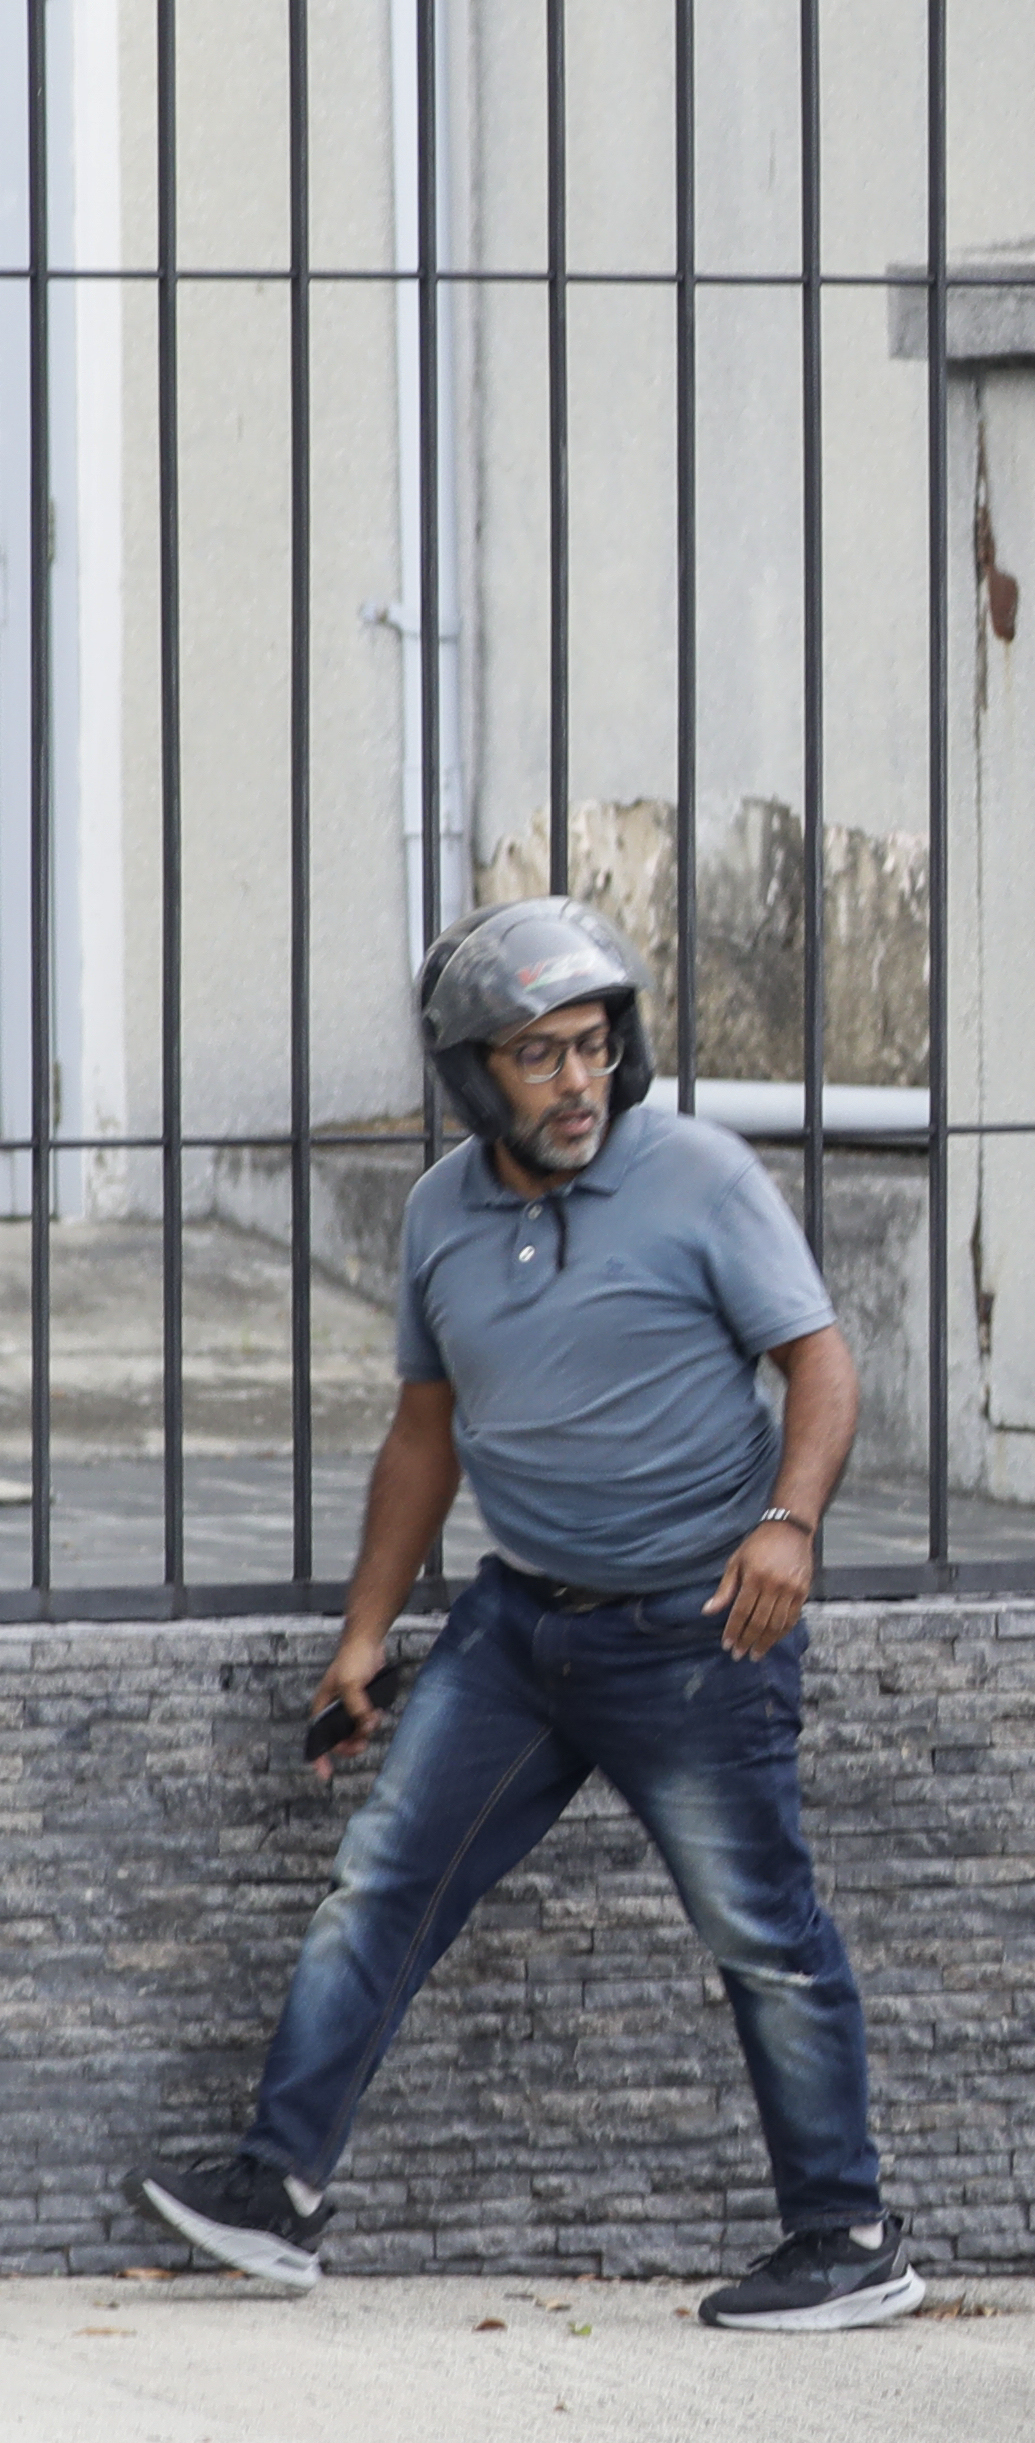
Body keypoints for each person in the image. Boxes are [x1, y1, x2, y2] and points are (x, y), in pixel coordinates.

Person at [130, 900, 919, 2332]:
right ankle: (278, 2192)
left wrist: (788, 1526)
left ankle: (846, 2233)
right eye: (538, 1054)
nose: (575, 1081)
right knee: (379, 1888)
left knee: (759, 1928)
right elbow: (423, 1435)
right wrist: (366, 1634)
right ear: (471, 1073)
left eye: (594, 1046)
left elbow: (820, 1362)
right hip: (516, 1630)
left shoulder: (702, 1179)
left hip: (696, 1629)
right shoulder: (440, 1213)